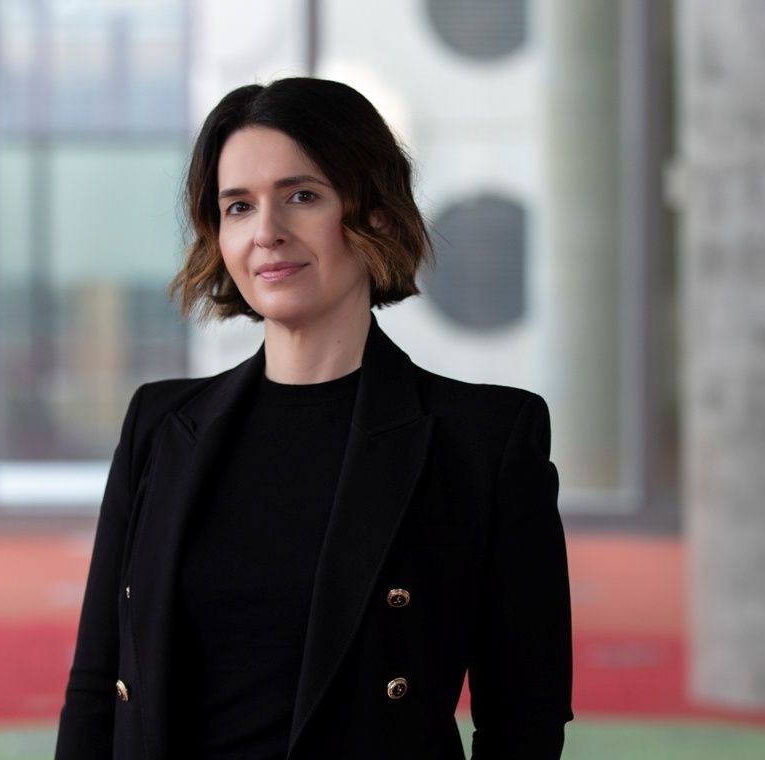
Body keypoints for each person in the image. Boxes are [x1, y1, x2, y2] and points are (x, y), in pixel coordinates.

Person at [54, 77, 572, 760]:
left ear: (375, 215)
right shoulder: (159, 424)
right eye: (238, 206)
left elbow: (522, 715)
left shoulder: (484, 439)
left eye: (301, 196)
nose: (266, 232)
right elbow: (98, 685)